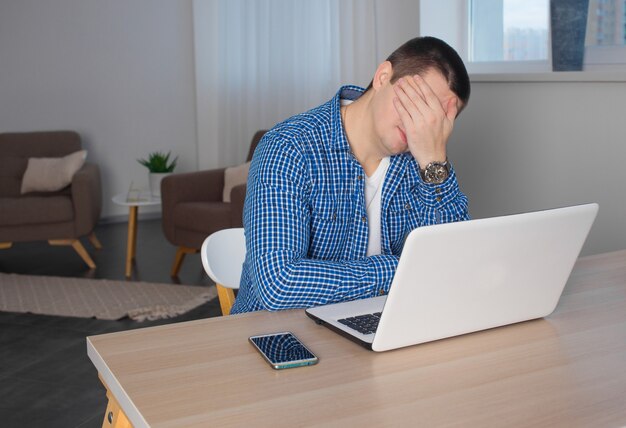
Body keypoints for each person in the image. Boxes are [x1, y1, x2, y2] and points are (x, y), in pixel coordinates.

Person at [230, 36, 471, 314]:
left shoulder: (427, 162)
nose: (421, 123)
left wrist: (433, 162)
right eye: (418, 103)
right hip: (279, 335)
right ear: (383, 76)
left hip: (382, 325)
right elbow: (279, 285)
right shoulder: (288, 147)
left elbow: (454, 265)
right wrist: (405, 268)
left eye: (436, 119)